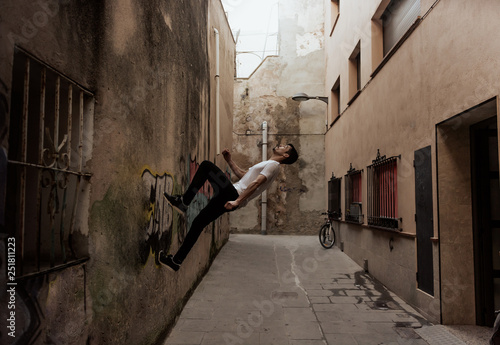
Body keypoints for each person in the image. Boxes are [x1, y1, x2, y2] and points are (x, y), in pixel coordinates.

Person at [159, 144, 299, 271]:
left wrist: (237, 201)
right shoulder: (269, 164)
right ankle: (176, 261)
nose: (281, 145)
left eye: (285, 146)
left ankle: (183, 202)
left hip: (232, 194)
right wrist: (229, 161)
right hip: (231, 194)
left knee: (207, 166)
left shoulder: (274, 164)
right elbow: (244, 176)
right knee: (198, 223)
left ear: (285, 155)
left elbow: (256, 183)